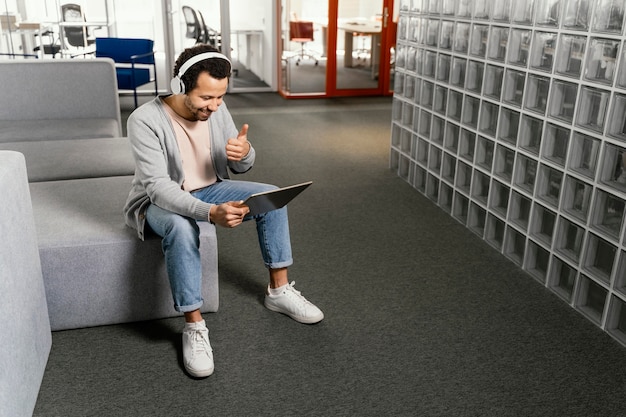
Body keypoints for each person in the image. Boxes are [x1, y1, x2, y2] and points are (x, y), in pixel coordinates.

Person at [123, 44, 324, 378]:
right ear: (180, 87)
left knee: (271, 197)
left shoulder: (217, 109)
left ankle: (279, 291)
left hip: (211, 185)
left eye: (220, 97)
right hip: (156, 202)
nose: (214, 106)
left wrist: (244, 152)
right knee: (182, 228)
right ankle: (193, 326)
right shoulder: (144, 120)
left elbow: (241, 164)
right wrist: (209, 212)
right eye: (206, 98)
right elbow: (159, 187)